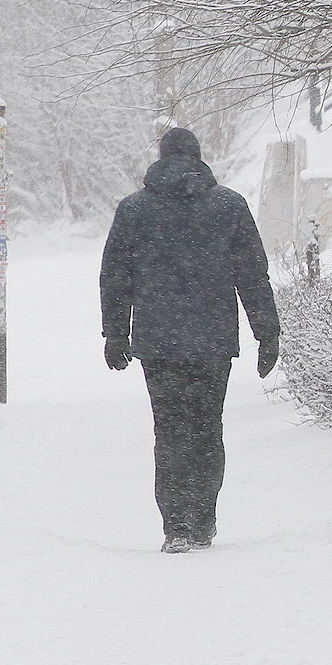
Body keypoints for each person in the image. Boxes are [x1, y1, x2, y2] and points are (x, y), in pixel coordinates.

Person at [99, 127, 281, 553]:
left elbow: (115, 277)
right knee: (206, 427)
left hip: (159, 341)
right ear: (199, 158)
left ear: (160, 159)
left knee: (169, 430)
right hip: (212, 339)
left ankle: (175, 526)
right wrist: (266, 333)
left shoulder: (135, 209)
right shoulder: (228, 206)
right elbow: (253, 275)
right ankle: (203, 521)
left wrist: (115, 333)